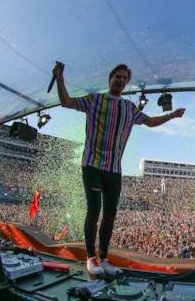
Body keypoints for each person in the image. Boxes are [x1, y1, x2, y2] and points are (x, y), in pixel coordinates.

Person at [52, 62, 186, 275]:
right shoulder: (95, 99)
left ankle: (104, 259)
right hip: (92, 165)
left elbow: (150, 121)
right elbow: (66, 102)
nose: (121, 80)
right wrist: (60, 79)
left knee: (110, 215)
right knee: (94, 210)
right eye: (118, 76)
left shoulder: (129, 108)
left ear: (126, 83)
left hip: (114, 169)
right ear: (110, 78)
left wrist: (171, 116)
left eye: (124, 78)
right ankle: (90, 258)